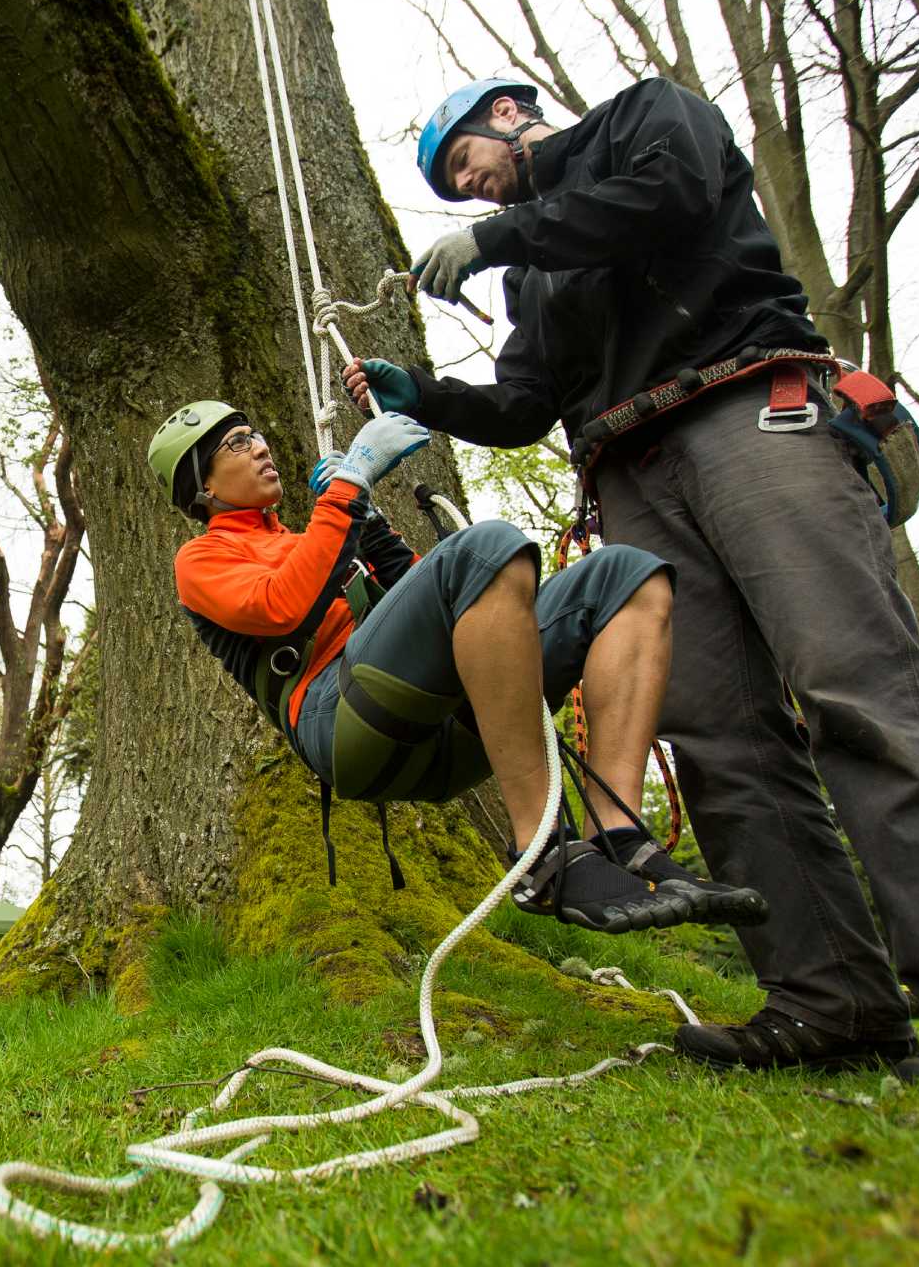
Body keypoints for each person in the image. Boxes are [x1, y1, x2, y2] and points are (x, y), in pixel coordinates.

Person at [342, 76, 919, 1098]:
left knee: (849, 684)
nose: (466, 189)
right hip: (628, 470)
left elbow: (670, 196)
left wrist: (507, 238)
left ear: (508, 112)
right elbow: (523, 404)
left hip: (747, 410)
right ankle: (826, 999)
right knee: (715, 734)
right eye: (454, 188)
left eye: (463, 161)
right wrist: (419, 394)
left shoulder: (643, 121)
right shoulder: (533, 264)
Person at [149, 399, 770, 933]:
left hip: (440, 717)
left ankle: (619, 835)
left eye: (253, 433)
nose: (259, 446)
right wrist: (351, 486)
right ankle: (540, 850)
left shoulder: (316, 533)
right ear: (204, 487)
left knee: (627, 574)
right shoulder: (202, 560)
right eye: (236, 443)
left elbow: (452, 605)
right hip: (344, 723)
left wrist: (370, 529)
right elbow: (281, 606)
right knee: (486, 548)